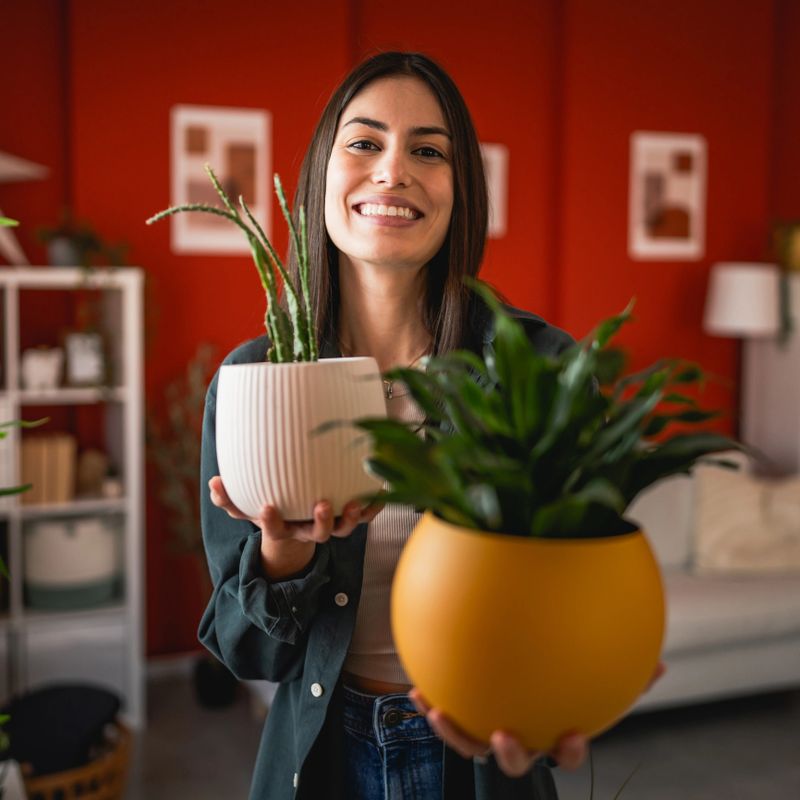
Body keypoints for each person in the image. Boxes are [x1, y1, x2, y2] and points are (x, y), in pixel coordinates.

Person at [199, 51, 611, 800]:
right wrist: (282, 553)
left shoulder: (537, 367)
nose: (393, 171)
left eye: (428, 150)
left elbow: (578, 597)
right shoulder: (256, 381)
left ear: (463, 192)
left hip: (476, 766)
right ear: (326, 169)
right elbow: (248, 653)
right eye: (364, 143)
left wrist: (557, 699)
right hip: (321, 759)